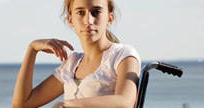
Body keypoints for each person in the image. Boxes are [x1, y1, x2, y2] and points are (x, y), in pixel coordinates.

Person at [12, 0, 141, 107]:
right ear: (70, 20)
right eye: (80, 12)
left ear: (110, 18)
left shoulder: (122, 55)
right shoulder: (72, 64)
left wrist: (67, 104)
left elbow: (126, 102)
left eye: (96, 12)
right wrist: (32, 50)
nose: (88, 21)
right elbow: (22, 104)